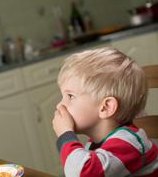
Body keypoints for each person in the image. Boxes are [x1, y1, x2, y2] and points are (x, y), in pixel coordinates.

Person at [52, 48, 158, 176]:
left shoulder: (128, 143)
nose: (60, 105)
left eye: (70, 96)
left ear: (106, 107)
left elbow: (81, 174)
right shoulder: (95, 142)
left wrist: (65, 134)